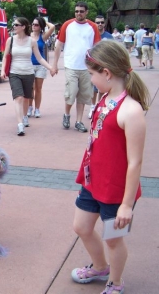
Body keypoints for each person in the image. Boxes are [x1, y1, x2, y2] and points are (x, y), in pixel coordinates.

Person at [72, 40, 150, 294]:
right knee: (81, 227)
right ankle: (100, 266)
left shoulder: (131, 110)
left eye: (92, 74)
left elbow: (135, 162)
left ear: (106, 73)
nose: (91, 79)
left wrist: (126, 204)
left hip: (117, 191)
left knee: (113, 239)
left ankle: (115, 282)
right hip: (94, 181)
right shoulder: (105, 97)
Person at [0, 17, 56, 136]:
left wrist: (50, 68)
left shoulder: (32, 41)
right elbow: (5, 57)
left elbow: (40, 58)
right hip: (14, 72)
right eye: (14, 25)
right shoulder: (11, 40)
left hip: (28, 73)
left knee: (26, 98)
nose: (14, 27)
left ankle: (24, 116)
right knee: (18, 98)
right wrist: (2, 71)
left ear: (23, 27)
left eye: (16, 25)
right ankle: (20, 124)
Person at [52, 1, 101, 132]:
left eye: (81, 11)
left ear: (86, 12)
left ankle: (78, 121)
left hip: (87, 67)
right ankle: (67, 115)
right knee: (71, 93)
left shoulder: (93, 26)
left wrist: (97, 65)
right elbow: (59, 45)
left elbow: (97, 47)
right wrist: (54, 64)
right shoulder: (67, 25)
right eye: (76, 11)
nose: (79, 13)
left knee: (84, 95)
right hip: (71, 65)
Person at [27, 17, 55, 118]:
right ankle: (29, 107)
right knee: (30, 88)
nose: (34, 26)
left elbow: (52, 27)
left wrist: (44, 21)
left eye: (37, 25)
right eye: (33, 24)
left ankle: (37, 109)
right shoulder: (27, 36)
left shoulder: (42, 37)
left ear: (40, 27)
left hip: (40, 65)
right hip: (29, 65)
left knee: (38, 88)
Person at [88, 15, 113, 119]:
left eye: (102, 22)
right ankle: (92, 106)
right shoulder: (91, 35)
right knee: (93, 88)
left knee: (102, 88)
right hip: (94, 65)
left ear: (104, 23)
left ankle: (99, 106)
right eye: (97, 22)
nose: (100, 24)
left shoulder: (109, 36)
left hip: (105, 65)